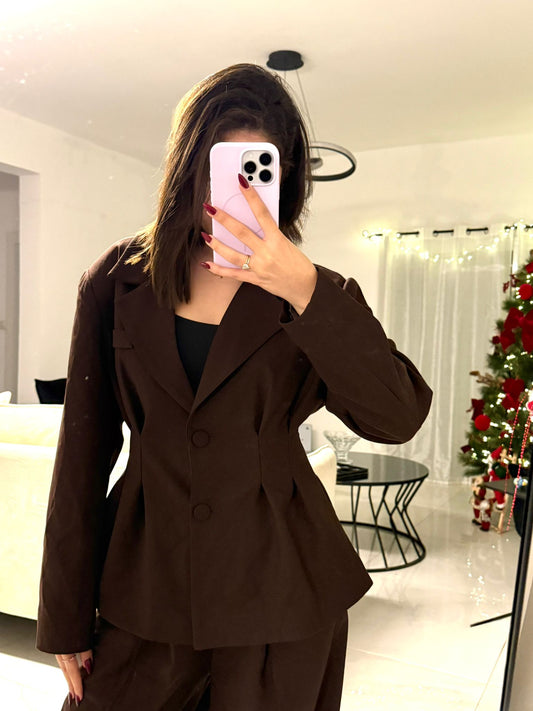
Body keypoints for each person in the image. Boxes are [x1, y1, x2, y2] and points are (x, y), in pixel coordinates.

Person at [35, 63, 433, 710]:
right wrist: (65, 615)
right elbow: (81, 454)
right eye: (222, 168)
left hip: (283, 597)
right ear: (189, 167)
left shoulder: (312, 293)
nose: (237, 192)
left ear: (286, 179)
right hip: (144, 587)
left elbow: (397, 415)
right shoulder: (116, 281)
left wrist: (304, 288)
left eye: (259, 170)